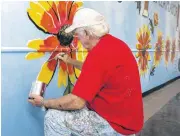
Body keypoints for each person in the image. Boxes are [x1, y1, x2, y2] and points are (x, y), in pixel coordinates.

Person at [28, 8, 144, 136]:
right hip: (128, 120)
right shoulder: (113, 44)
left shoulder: (98, 54)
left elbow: (76, 102)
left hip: (115, 126)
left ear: (87, 33)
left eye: (78, 35)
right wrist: (70, 61)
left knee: (53, 118)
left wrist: (44, 103)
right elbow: (97, 71)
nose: (78, 40)